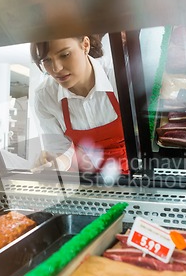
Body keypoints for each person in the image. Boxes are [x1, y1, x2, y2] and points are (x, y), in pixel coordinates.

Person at [31, 35, 129, 174]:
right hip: (87, 182)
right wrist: (54, 163)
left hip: (134, 178)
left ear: (85, 45)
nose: (56, 68)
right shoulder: (45, 96)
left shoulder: (120, 77)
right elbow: (61, 150)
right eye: (46, 60)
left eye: (65, 55)